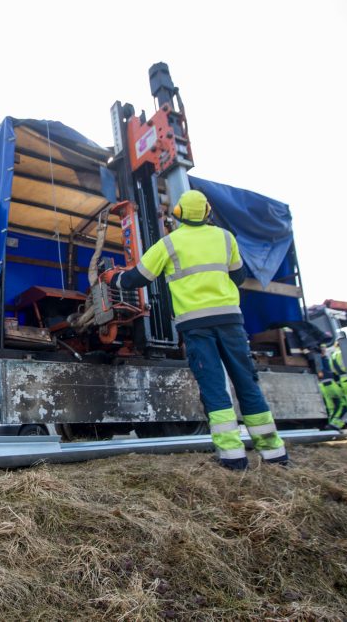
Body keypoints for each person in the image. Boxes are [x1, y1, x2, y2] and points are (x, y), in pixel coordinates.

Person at [108, 189, 288, 470]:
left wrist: (112, 279)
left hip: (196, 326)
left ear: (177, 214)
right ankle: (275, 454)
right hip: (230, 322)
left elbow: (136, 279)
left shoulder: (169, 244)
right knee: (246, 384)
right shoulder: (226, 238)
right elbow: (238, 277)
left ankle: (233, 459)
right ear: (208, 213)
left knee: (214, 388)